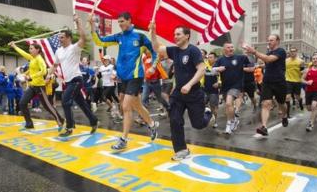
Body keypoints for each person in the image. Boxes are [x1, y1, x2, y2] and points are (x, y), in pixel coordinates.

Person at [89, 12, 159, 150]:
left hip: (135, 76)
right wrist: (92, 25)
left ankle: (124, 139)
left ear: (129, 20)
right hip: (123, 78)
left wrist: (153, 66)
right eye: (118, 22)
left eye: (122, 21)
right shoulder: (118, 37)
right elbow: (100, 41)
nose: (120, 24)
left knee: (125, 107)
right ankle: (152, 124)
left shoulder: (140, 37)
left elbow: (155, 51)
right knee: (137, 106)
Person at [150, 22, 212, 161]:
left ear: (187, 36)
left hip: (194, 93)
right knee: (175, 120)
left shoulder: (193, 51)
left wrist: (189, 85)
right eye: (174, 34)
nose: (175, 36)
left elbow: (201, 69)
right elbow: (158, 48)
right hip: (178, 93)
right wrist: (153, 32)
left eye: (178, 34)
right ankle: (181, 150)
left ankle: (208, 113)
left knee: (198, 124)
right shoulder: (174, 50)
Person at [48, 15, 99, 137]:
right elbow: (55, 65)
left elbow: (83, 39)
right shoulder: (58, 51)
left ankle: (69, 127)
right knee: (82, 104)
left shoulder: (74, 48)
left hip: (76, 79)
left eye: (62, 37)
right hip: (68, 82)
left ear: (69, 38)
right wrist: (48, 75)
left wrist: (78, 23)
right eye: (59, 37)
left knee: (65, 101)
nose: (60, 39)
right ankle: (94, 121)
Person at [9, 42, 64, 130]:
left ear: (37, 50)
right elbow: (24, 54)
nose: (29, 50)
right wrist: (15, 47)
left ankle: (60, 120)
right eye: (29, 48)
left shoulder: (39, 59)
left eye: (31, 48)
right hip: (32, 86)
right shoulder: (32, 58)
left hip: (40, 87)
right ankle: (29, 123)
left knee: (47, 106)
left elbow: (44, 71)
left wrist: (31, 76)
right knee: (22, 103)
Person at [243, 35, 287, 136]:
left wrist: (254, 52)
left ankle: (284, 116)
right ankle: (264, 127)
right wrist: (258, 66)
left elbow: (268, 59)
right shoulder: (269, 52)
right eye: (268, 40)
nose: (269, 42)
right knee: (266, 103)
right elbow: (267, 63)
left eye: (271, 40)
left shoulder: (281, 51)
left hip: (279, 82)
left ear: (278, 41)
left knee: (281, 104)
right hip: (267, 82)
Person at [214, 42, 252, 134]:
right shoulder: (220, 60)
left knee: (228, 103)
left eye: (232, 47)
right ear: (224, 49)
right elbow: (212, 70)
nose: (231, 49)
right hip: (225, 86)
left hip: (236, 85)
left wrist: (250, 67)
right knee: (229, 106)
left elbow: (251, 67)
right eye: (228, 47)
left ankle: (228, 125)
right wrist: (217, 69)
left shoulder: (240, 57)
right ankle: (234, 120)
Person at [285, 47, 305, 117]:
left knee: (297, 97)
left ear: (296, 52)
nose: (292, 52)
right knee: (287, 97)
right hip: (288, 80)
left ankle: (300, 102)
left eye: (294, 51)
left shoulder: (301, 61)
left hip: (297, 81)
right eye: (291, 51)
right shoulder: (286, 61)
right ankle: (287, 114)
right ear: (289, 52)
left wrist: (302, 75)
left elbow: (303, 71)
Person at [203, 52, 219, 128]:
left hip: (214, 90)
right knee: (201, 104)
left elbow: (222, 77)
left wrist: (218, 83)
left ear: (215, 58)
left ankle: (215, 121)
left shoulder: (218, 66)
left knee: (213, 106)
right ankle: (205, 118)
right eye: (208, 57)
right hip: (204, 89)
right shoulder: (205, 65)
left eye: (211, 57)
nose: (209, 59)